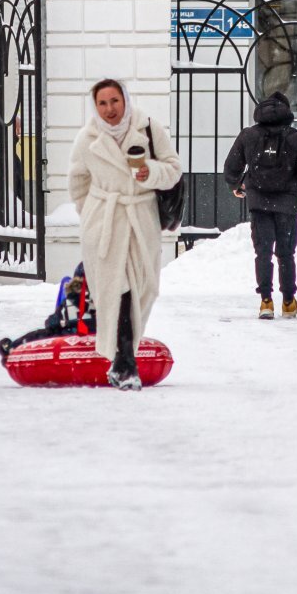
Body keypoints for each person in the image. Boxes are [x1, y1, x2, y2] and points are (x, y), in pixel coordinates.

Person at [68, 79, 181, 391]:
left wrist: (150, 173)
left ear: (125, 100)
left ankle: (122, 359)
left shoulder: (147, 129)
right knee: (116, 290)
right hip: (103, 222)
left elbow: (173, 169)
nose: (109, 109)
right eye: (102, 103)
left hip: (140, 217)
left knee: (144, 288)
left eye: (114, 101)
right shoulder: (87, 138)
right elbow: (78, 181)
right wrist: (90, 214)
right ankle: (125, 363)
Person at [223, 91, 297, 320]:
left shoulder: (248, 136)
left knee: (262, 252)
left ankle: (266, 301)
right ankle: (288, 301)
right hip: (287, 204)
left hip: (259, 202)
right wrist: (295, 192)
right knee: (286, 254)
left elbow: (231, 166)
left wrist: (238, 184)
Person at [0, 263, 97, 365]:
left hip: (68, 337)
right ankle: (15, 349)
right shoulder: (104, 301)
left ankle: (14, 348)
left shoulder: (70, 302)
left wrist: (54, 323)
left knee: (43, 335)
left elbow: (53, 321)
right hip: (92, 336)